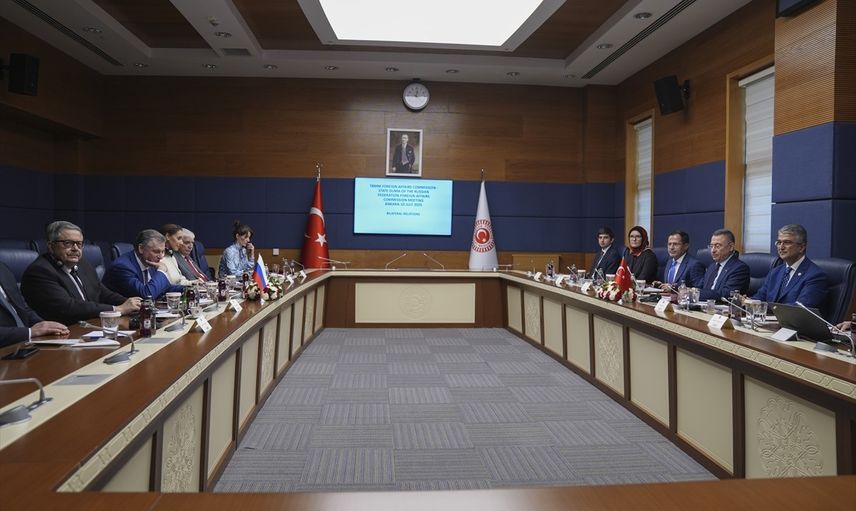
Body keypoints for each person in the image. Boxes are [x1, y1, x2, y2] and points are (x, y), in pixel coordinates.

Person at [21, 221, 140, 325]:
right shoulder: (40, 271)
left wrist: (132, 304)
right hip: (61, 332)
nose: (75, 248)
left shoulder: (83, 264)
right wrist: (117, 309)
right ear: (51, 246)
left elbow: (101, 292)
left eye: (79, 244)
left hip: (89, 326)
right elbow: (69, 307)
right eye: (68, 243)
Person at [751, 224, 827, 309]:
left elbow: (799, 308)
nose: (781, 247)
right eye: (779, 242)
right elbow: (759, 298)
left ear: (801, 247)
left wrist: (763, 306)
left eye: (787, 242)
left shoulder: (815, 276)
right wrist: (747, 302)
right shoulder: (775, 272)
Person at [1, 261, 69, 348]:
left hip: (25, 345)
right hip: (7, 348)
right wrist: (29, 332)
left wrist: (44, 326)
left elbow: (23, 308)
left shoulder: (3, 269)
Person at [103, 229, 184, 300]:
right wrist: (161, 271)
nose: (161, 256)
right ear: (141, 248)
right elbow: (146, 296)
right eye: (156, 251)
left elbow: (165, 289)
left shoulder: (149, 261)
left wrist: (187, 289)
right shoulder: (122, 267)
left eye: (163, 251)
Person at [699, 229, 750, 301]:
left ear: (731, 247)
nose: (713, 250)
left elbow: (726, 294)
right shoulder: (712, 267)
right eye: (711, 246)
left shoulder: (740, 269)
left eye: (717, 246)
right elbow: (702, 288)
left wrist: (696, 293)